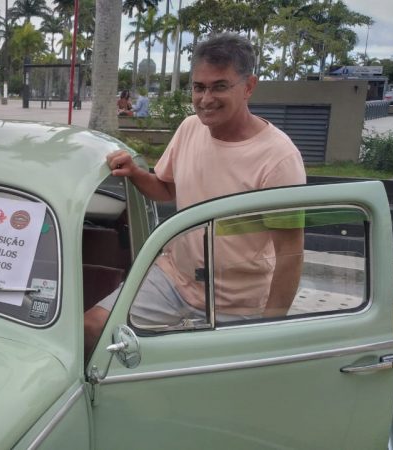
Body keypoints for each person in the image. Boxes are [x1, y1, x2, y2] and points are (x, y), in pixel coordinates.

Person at [84, 33, 306, 354]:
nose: (205, 99)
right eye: (199, 87)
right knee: (93, 329)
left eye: (219, 86)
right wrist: (134, 173)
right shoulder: (190, 129)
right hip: (174, 278)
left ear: (249, 86)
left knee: (207, 382)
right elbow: (165, 189)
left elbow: (290, 253)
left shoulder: (279, 158)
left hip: (237, 300)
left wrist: (270, 325)